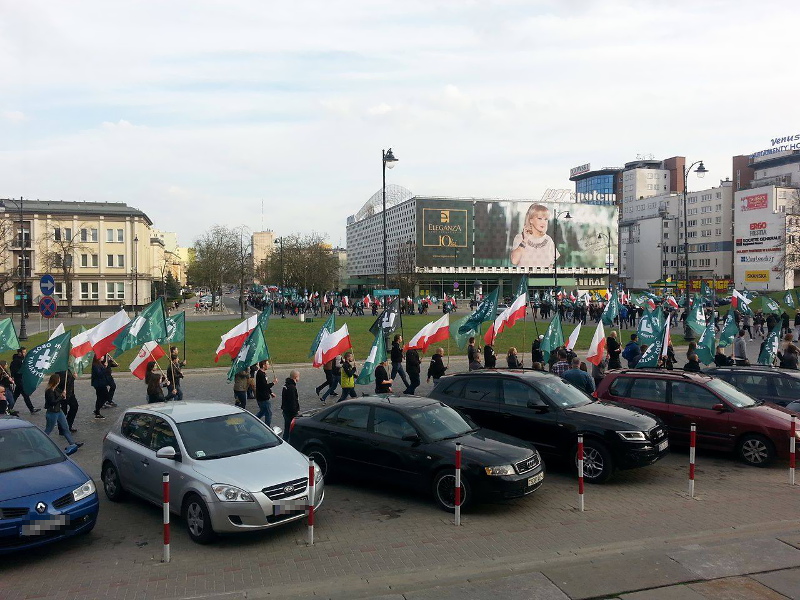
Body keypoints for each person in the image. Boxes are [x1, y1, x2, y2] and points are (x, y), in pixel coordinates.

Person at [510, 203, 558, 267]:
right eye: (540, 218)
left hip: (543, 276)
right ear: (531, 220)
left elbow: (551, 265)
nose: (543, 222)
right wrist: (525, 240)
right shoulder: (520, 237)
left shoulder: (548, 240)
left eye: (545, 219)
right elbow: (514, 261)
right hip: (525, 276)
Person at [43, 374, 81, 453]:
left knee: (65, 428)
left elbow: (62, 392)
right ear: (56, 381)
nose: (60, 381)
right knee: (48, 430)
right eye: (59, 379)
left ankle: (72, 444)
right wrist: (61, 397)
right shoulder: (49, 391)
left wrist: (64, 393)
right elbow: (52, 402)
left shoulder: (55, 389)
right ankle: (40, 443)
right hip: (52, 413)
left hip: (58, 411)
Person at [10, 347, 38, 414]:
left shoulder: (22, 360)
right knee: (25, 394)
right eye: (23, 352)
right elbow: (15, 371)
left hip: (21, 379)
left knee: (15, 395)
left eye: (25, 352)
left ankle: (9, 408)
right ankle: (31, 409)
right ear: (19, 353)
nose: (25, 353)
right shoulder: (16, 361)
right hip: (19, 380)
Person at [56, 367, 79, 433]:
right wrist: (73, 378)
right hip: (64, 394)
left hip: (69, 393)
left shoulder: (67, 369)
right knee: (65, 410)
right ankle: (63, 428)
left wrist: (73, 377)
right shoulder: (61, 370)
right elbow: (63, 382)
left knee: (68, 409)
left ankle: (66, 426)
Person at [281, 370, 300, 441]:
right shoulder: (292, 387)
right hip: (291, 413)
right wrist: (296, 411)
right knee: (291, 430)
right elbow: (292, 402)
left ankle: (285, 441)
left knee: (287, 429)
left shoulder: (286, 385)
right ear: (295, 377)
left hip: (285, 411)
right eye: (298, 376)